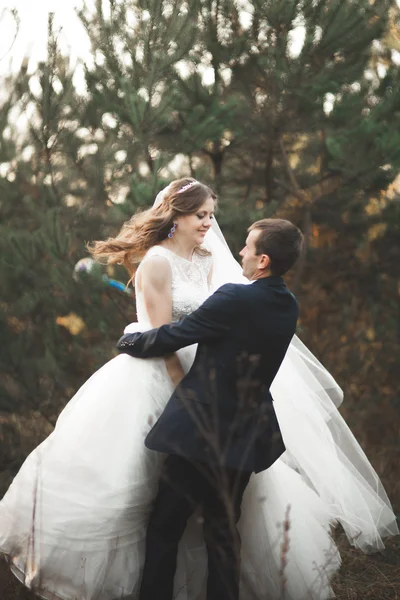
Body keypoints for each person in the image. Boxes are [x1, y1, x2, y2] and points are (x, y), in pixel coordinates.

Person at [0, 178, 397, 600]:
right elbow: (168, 332)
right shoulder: (162, 263)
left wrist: (131, 341)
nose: (210, 224)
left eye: (211, 214)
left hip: (203, 397)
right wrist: (177, 384)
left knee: (181, 520)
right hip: (171, 384)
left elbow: (195, 327)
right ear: (176, 215)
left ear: (262, 259)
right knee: (178, 508)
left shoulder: (214, 268)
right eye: (200, 214)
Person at [116, 215, 303, 600]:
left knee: (166, 525)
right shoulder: (288, 304)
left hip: (201, 430)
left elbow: (178, 334)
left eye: (248, 246)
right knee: (222, 531)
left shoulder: (236, 297)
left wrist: (131, 340)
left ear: (263, 260)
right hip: (248, 431)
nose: (240, 252)